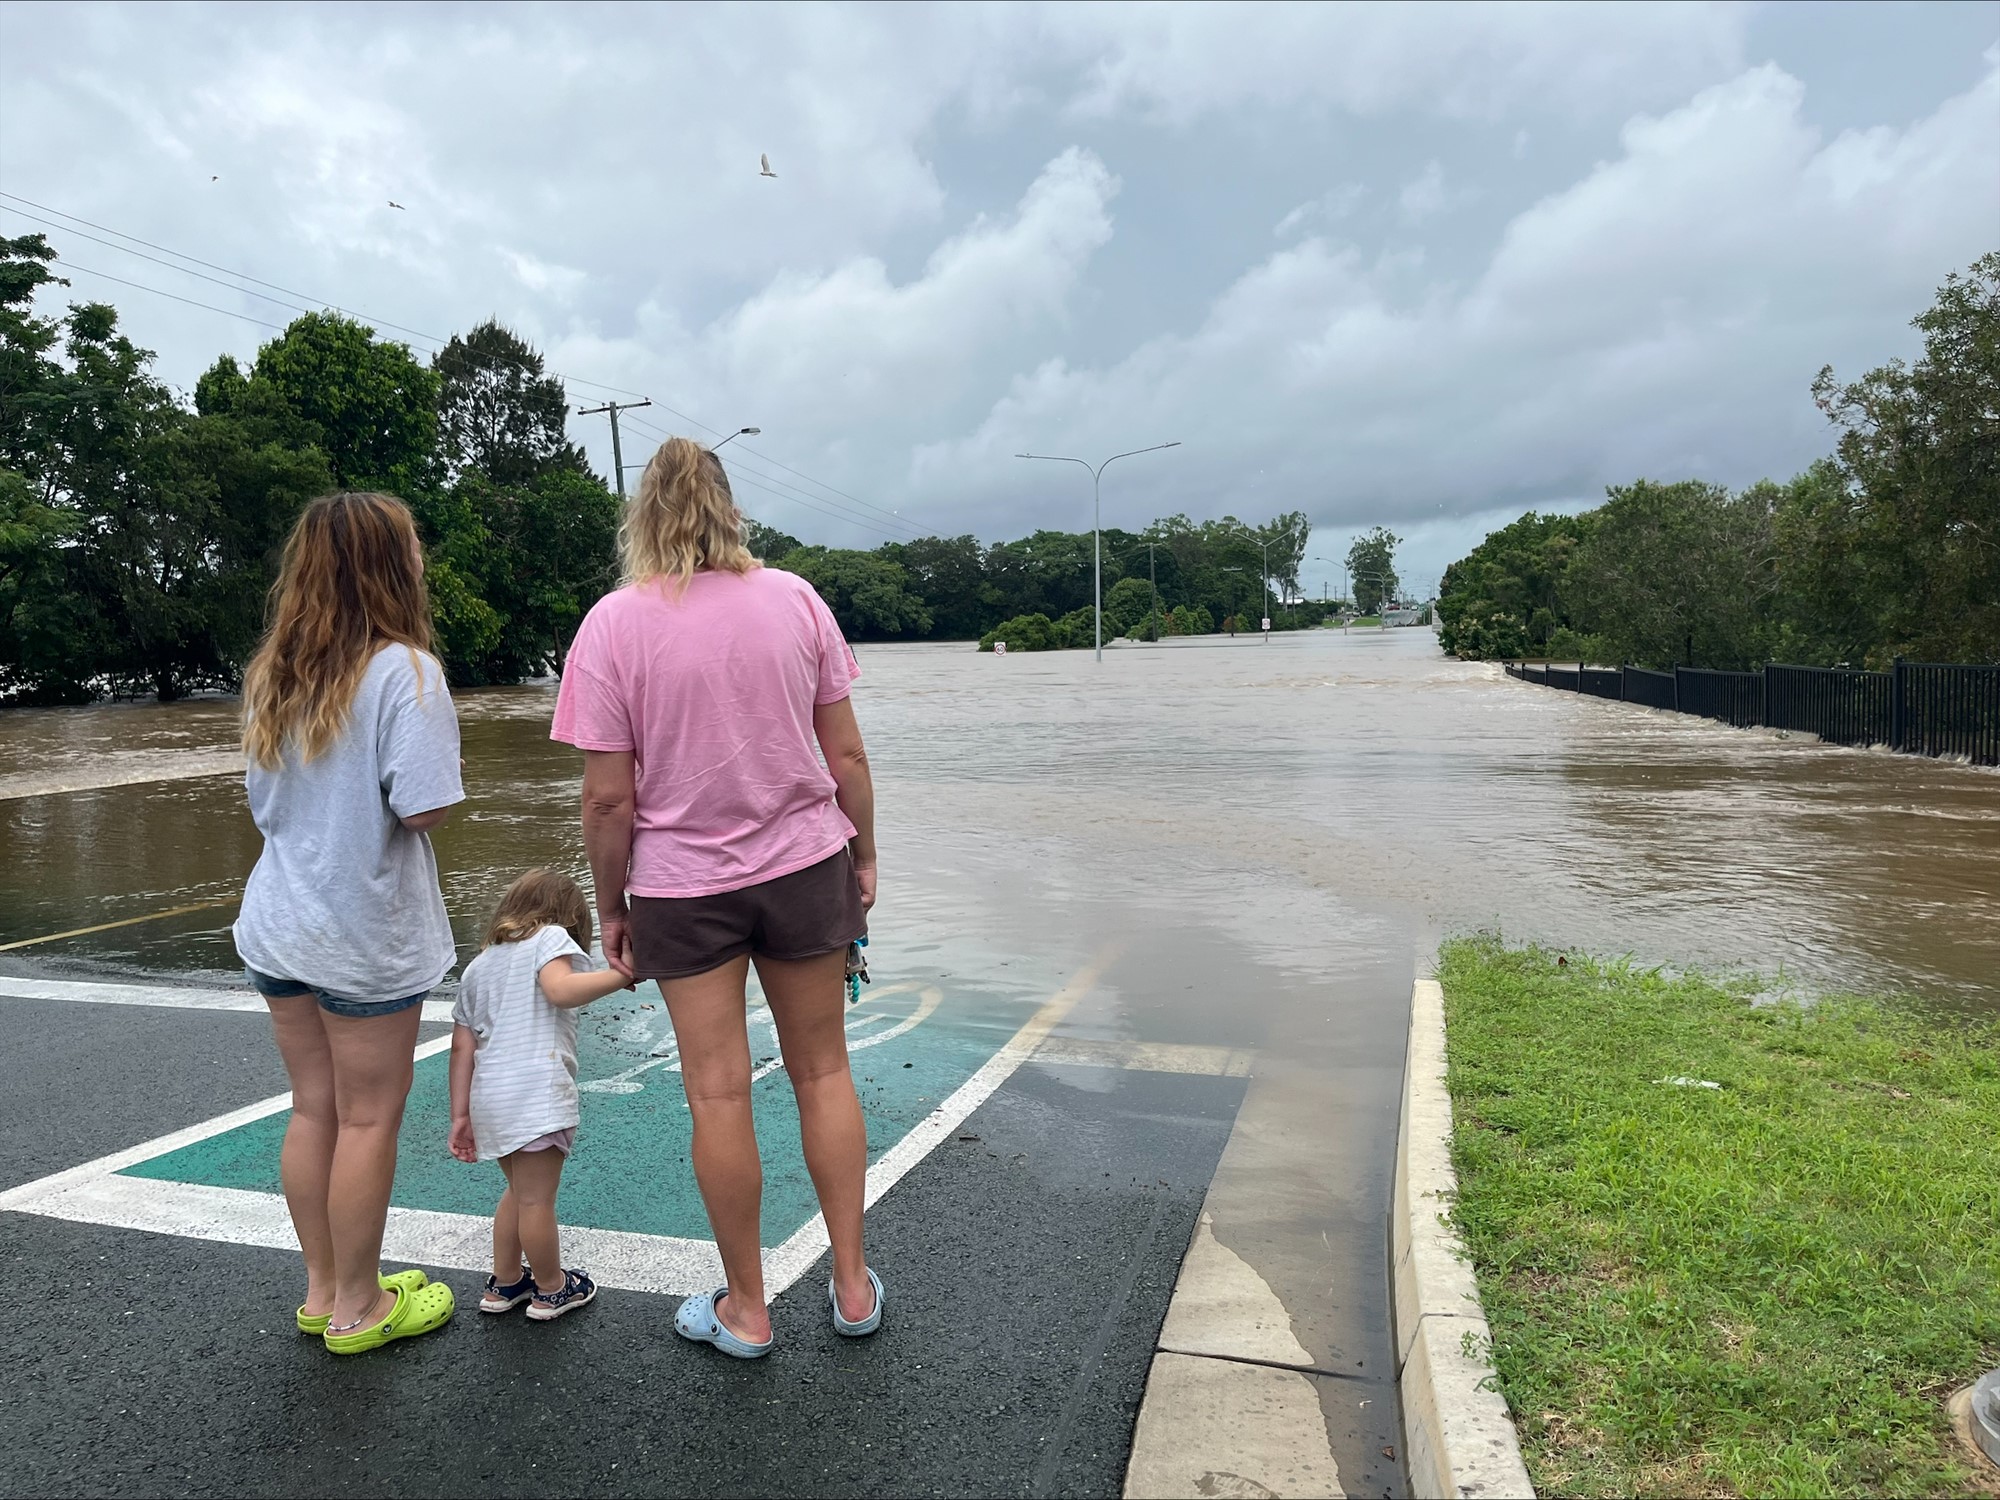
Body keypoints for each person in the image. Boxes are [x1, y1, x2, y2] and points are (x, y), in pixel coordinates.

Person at [550, 435, 880, 1359]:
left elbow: (608, 796)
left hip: (684, 887)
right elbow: (846, 755)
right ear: (731, 508)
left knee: (719, 1094)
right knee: (823, 1073)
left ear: (643, 516)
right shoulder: (796, 599)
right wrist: (862, 855)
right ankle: (852, 1288)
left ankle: (748, 1307)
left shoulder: (613, 624)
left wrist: (612, 909)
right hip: (806, 864)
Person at [233, 491, 462, 1355]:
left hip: (280, 923)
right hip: (364, 936)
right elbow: (428, 808)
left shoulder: (273, 672)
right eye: (411, 546)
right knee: (368, 1119)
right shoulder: (407, 673)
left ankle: (325, 1288)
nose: (421, 559)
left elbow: (266, 804)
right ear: (387, 565)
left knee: (314, 1110)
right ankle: (363, 1308)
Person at [448, 868, 633, 1320]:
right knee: (535, 1200)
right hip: (535, 1092)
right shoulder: (549, 938)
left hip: (490, 1094)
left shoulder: (481, 963)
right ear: (570, 918)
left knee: (517, 1191)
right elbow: (560, 990)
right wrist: (623, 974)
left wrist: (460, 1114)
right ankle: (552, 1288)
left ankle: (505, 1282)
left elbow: (462, 1044)